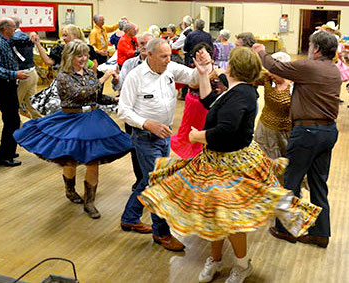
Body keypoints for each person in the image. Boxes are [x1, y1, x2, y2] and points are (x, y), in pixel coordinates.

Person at [138, 47, 322, 283]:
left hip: (233, 163)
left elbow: (225, 132)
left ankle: (242, 265)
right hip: (216, 161)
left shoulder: (243, 94)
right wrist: (203, 73)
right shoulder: (236, 89)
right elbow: (209, 102)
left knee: (232, 218)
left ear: (233, 67)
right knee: (215, 214)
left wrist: (197, 137)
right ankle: (215, 260)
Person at [14, 40, 132, 219]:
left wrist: (114, 100)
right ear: (70, 57)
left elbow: (96, 96)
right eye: (79, 55)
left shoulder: (89, 74)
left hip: (93, 121)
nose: (84, 59)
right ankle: (70, 190)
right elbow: (79, 94)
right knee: (70, 160)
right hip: (71, 120)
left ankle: (89, 201)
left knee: (94, 161)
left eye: (85, 55)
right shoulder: (63, 76)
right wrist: (104, 77)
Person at [117, 38, 210, 251]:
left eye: (169, 55)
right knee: (159, 185)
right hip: (145, 138)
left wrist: (204, 67)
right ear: (149, 55)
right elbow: (123, 110)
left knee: (147, 181)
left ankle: (130, 217)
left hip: (164, 137)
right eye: (164, 56)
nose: (169, 60)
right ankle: (162, 233)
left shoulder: (170, 68)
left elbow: (193, 77)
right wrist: (148, 124)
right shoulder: (135, 77)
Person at [253, 31, 341, 248]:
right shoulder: (334, 70)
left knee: (290, 180)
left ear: (317, 49)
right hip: (328, 132)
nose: (309, 49)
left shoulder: (310, 67)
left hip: (307, 133)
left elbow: (277, 68)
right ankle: (321, 233)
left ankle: (286, 229)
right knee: (318, 183)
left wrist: (262, 52)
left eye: (310, 45)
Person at [112, 32, 155, 191]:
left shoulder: (162, 65)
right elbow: (119, 86)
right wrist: (116, 80)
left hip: (154, 115)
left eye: (147, 43)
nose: (143, 46)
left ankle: (151, 181)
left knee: (153, 150)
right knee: (135, 150)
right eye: (141, 43)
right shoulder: (130, 64)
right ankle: (140, 180)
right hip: (133, 115)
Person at [171, 43, 228, 159]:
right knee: (191, 126)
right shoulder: (195, 70)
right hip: (195, 102)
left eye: (204, 52)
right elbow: (193, 85)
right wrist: (207, 76)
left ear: (210, 54)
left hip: (208, 105)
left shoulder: (218, 69)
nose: (202, 56)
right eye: (199, 54)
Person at [32, 25, 98, 115]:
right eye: (63, 35)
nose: (63, 38)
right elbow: (48, 61)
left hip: (82, 83)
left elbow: (94, 67)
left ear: (75, 35)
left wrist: (91, 83)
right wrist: (38, 44)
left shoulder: (87, 48)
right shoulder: (61, 49)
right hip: (64, 84)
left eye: (66, 35)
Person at [0, 17, 29, 167]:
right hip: (2, 86)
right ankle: (3, 156)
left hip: (10, 85)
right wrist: (14, 74)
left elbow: (23, 40)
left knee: (13, 119)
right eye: (14, 27)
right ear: (6, 28)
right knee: (11, 121)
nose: (16, 30)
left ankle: (10, 151)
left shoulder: (7, 41)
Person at [253, 52, 292, 160]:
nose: (270, 74)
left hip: (285, 133)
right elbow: (248, 77)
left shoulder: (294, 85)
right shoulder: (267, 79)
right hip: (265, 130)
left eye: (273, 71)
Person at [9, 16, 42, 119]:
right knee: (32, 104)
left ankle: (16, 128)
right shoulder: (26, 36)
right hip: (32, 73)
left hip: (22, 75)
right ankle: (40, 126)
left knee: (13, 106)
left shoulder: (13, 38)